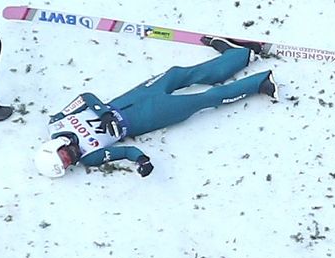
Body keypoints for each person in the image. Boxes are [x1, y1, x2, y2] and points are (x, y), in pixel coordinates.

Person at [34, 37, 279, 178]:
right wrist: (141, 160)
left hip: (133, 97)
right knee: (202, 100)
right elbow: (125, 152)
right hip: (148, 117)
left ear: (55, 147)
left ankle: (238, 56)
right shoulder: (90, 157)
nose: (71, 157)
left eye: (64, 156)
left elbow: (85, 97)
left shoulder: (58, 122)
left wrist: (103, 112)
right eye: (67, 164)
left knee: (179, 74)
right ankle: (258, 84)